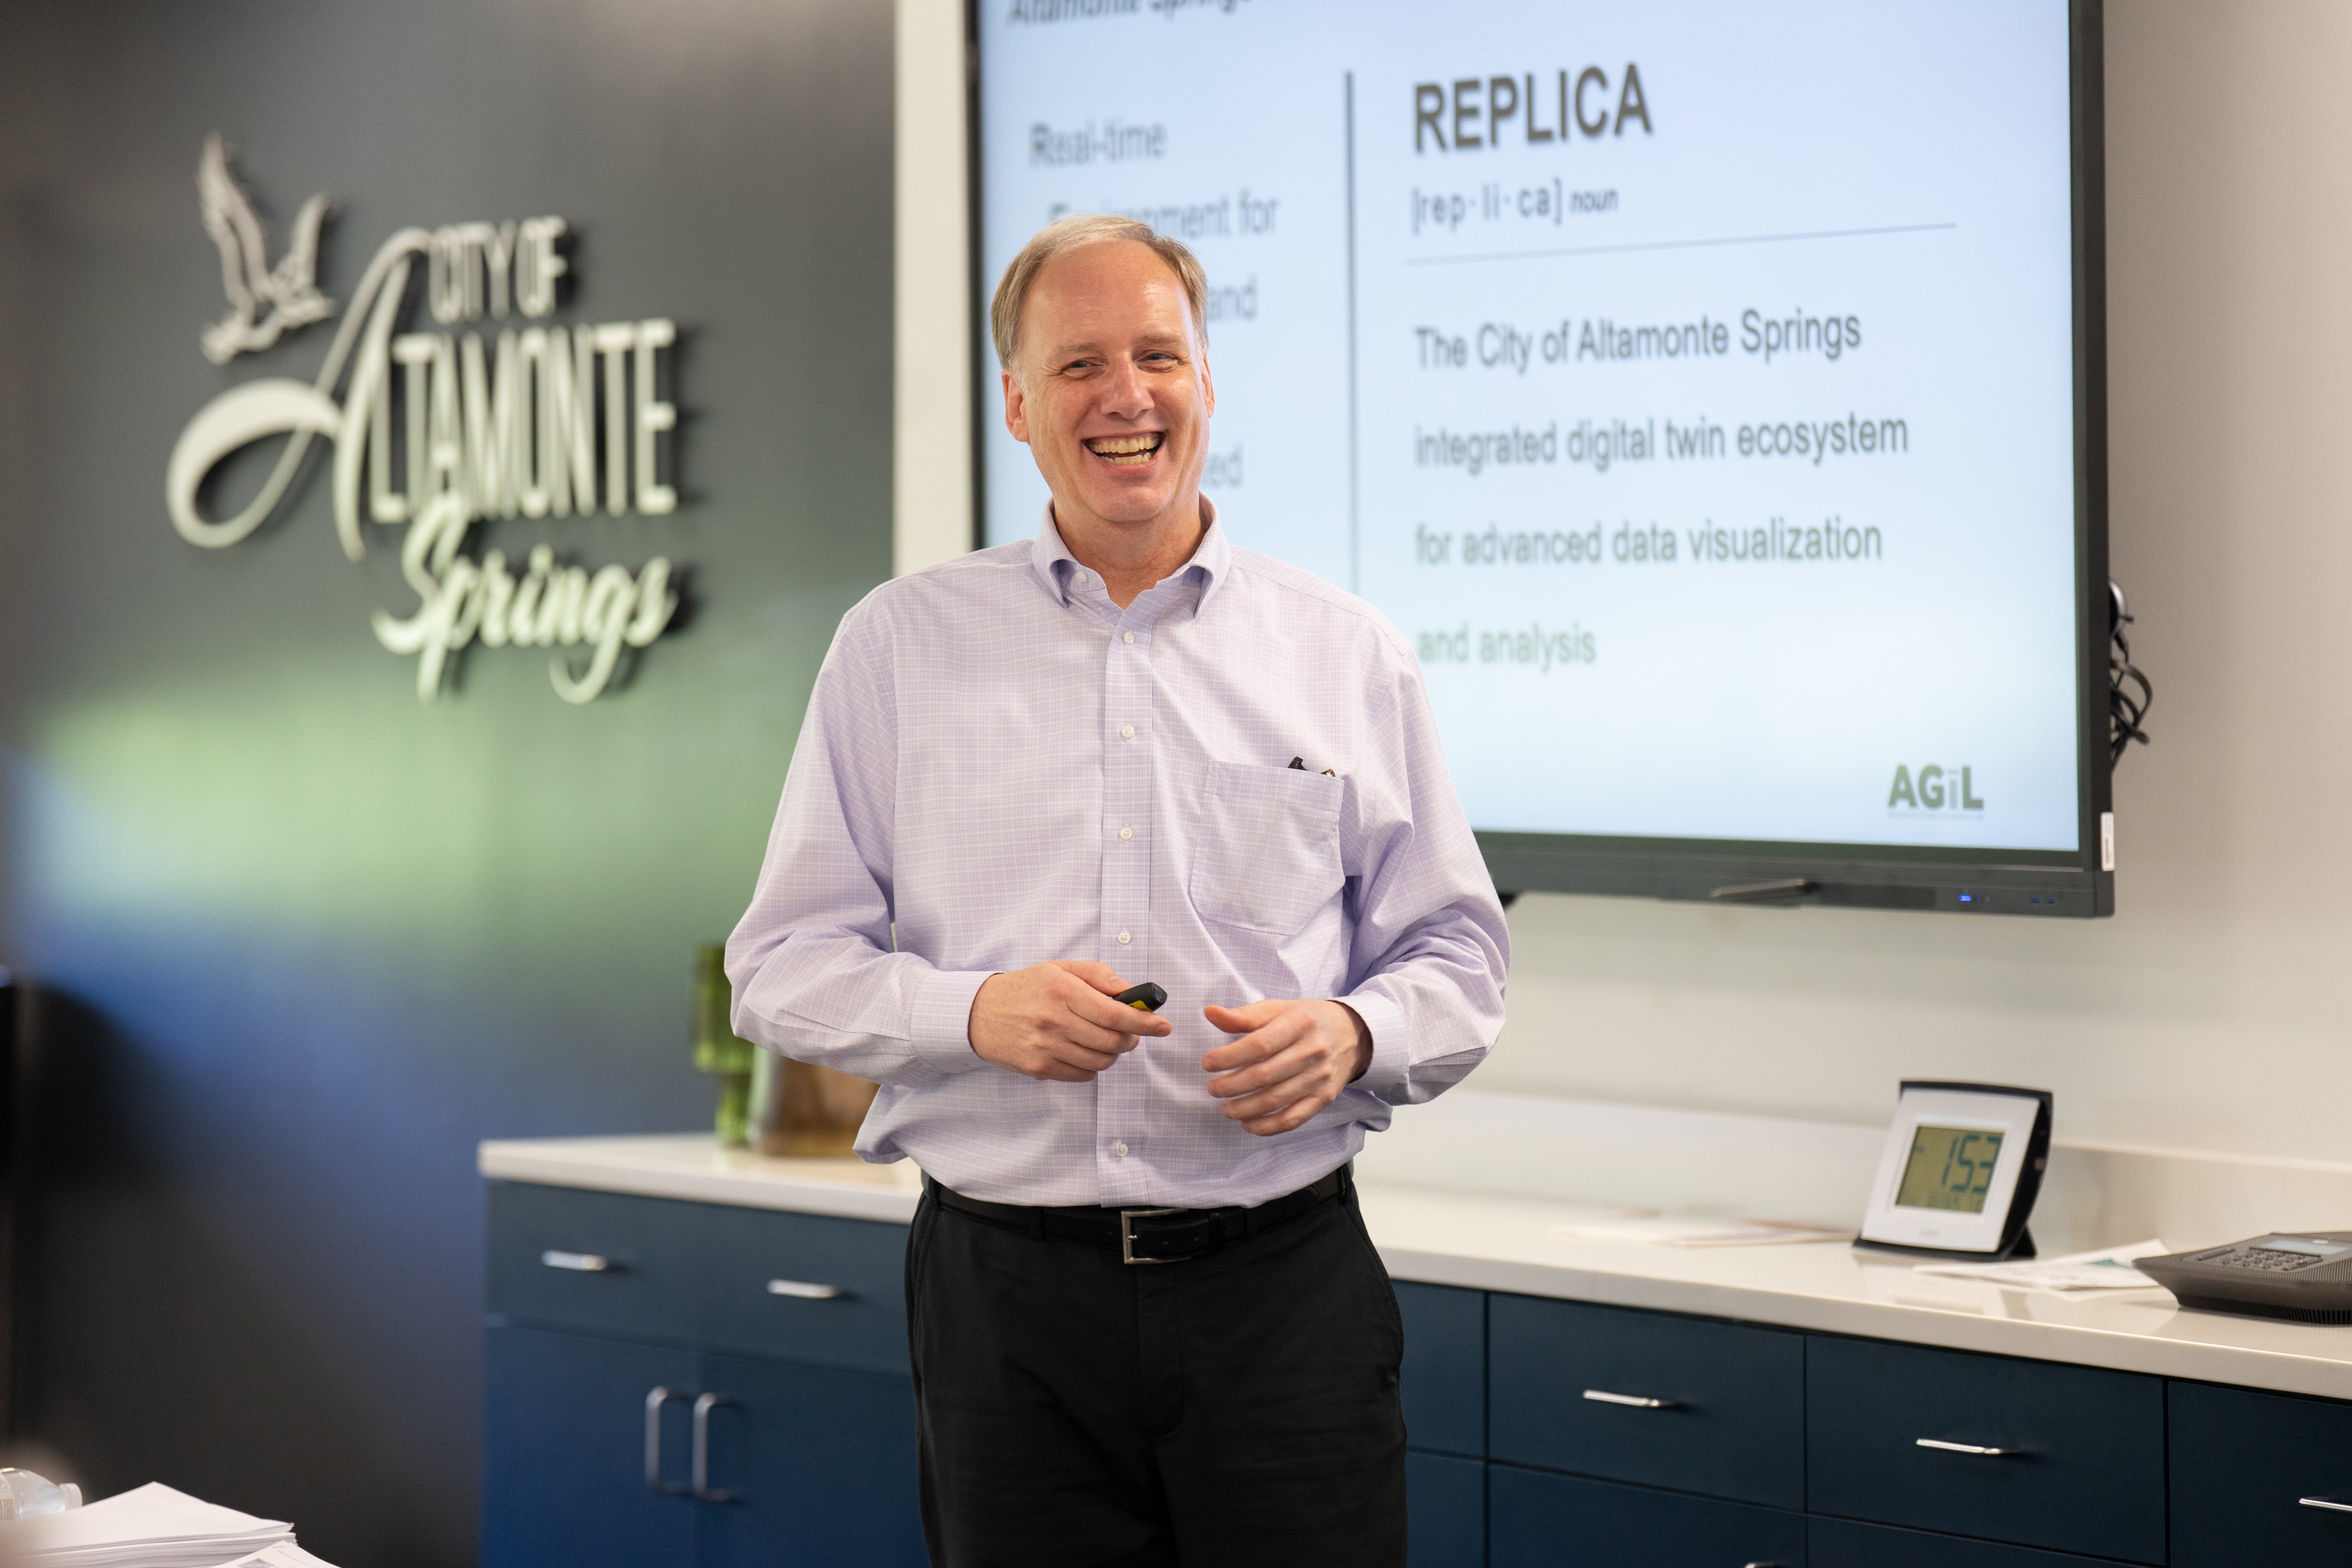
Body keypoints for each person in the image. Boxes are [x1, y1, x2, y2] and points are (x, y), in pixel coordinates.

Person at [726, 212, 1508, 1568]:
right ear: (1019, 406)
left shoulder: (1347, 654)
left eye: (1160, 355)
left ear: (1208, 383)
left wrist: (1355, 1033)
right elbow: (780, 964)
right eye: (1080, 364)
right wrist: (973, 1015)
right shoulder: (898, 649)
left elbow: (1458, 953)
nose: (1127, 395)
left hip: (1284, 1293)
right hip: (1006, 1312)